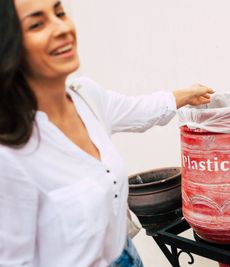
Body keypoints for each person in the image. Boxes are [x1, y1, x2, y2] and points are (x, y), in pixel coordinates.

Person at [0, 0, 214, 266]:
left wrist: (188, 94)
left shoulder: (86, 96)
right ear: (9, 46)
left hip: (126, 256)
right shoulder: (10, 153)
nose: (61, 28)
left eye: (59, 12)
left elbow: (140, 109)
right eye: (37, 24)